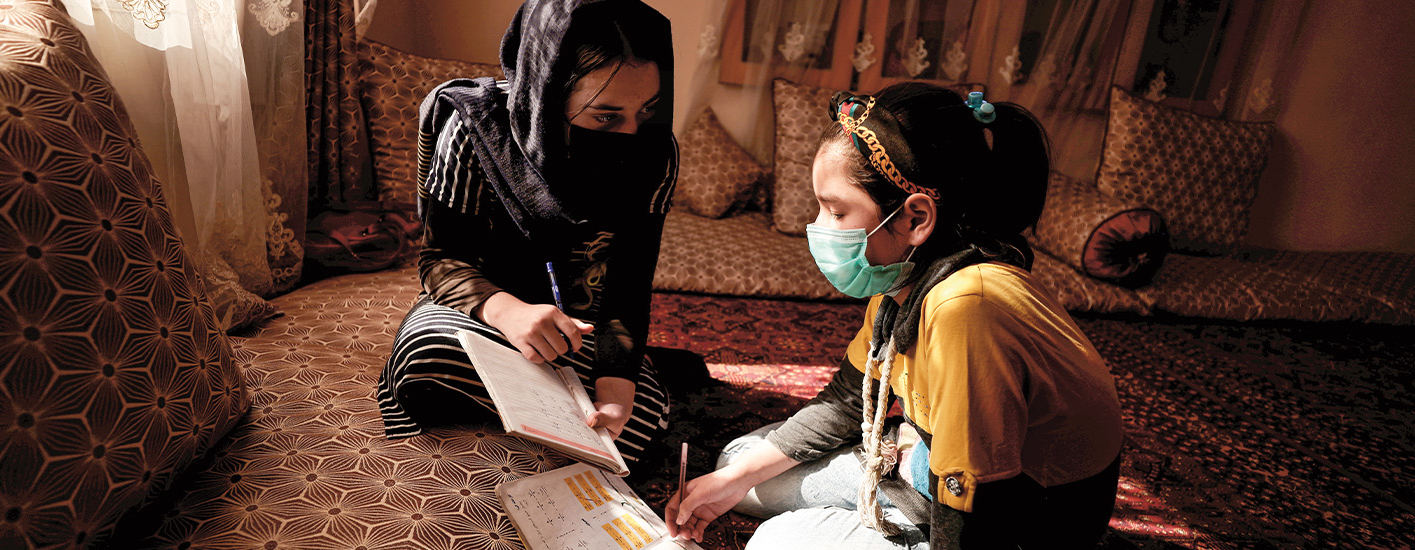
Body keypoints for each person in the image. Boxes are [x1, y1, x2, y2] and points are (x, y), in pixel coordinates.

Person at [665, 83, 1124, 549]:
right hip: (930, 465)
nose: (819, 228)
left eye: (836, 210)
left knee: (776, 542)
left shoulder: (967, 309)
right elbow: (846, 400)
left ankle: (898, 485)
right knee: (733, 464)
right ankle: (902, 463)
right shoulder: (903, 278)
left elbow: (974, 498)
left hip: (1020, 521)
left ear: (915, 219)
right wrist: (738, 478)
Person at [377, 0, 679, 472]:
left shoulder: (655, 152)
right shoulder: (473, 130)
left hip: (581, 332)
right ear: (549, 92)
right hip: (482, 314)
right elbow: (440, 259)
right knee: (426, 354)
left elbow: (628, 287)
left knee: (643, 418)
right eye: (605, 116)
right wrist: (510, 312)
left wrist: (615, 391)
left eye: (647, 110)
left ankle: (535, 418)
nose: (631, 133)